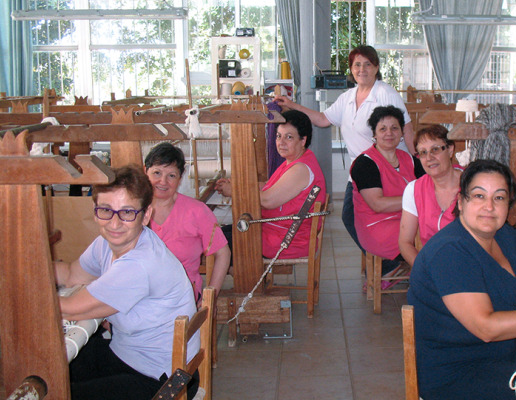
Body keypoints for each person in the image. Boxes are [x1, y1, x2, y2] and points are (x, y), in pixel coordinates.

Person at [55, 165, 200, 400]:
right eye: (106, 210)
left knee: (57, 391)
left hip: (165, 381)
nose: (114, 224)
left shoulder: (141, 263)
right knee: (52, 368)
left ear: (146, 215)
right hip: (129, 356)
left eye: (127, 212)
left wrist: (20, 293)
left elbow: (69, 308)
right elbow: (71, 274)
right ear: (95, 211)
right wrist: (26, 271)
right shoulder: (108, 243)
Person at [407, 159, 516, 400]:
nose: (489, 206)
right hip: (459, 372)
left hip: (503, 356)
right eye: (479, 196)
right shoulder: (450, 252)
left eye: (499, 197)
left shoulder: (501, 235)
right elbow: (486, 328)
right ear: (461, 202)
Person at [276, 45, 414, 252]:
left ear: (376, 67)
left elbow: (407, 127)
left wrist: (416, 158)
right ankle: (388, 258)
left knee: (377, 217)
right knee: (351, 218)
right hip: (360, 168)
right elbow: (322, 119)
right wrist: (292, 105)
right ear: (351, 69)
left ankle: (391, 260)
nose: (362, 69)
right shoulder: (348, 97)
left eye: (367, 64)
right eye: (357, 65)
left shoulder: (385, 93)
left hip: (388, 167)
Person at [215, 110, 326, 259]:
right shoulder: (294, 162)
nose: (281, 143)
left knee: (215, 245)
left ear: (303, 140)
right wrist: (238, 184)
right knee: (217, 235)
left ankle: (232, 271)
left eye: (289, 137)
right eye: (279, 136)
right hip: (277, 232)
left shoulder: (300, 169)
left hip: (286, 241)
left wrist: (234, 191)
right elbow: (269, 186)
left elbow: (267, 200)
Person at [144, 142, 230, 301]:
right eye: (157, 173)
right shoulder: (133, 210)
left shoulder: (196, 211)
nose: (163, 181)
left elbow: (223, 253)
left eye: (171, 175)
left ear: (180, 178)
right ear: (145, 171)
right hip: (139, 294)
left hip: (181, 298)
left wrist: (209, 298)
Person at [350, 105, 423, 278]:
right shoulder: (365, 163)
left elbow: (430, 185)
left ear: (402, 132)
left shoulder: (410, 159)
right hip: (378, 226)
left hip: (407, 220)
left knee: (438, 229)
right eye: (383, 129)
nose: (389, 133)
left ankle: (422, 273)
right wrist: (417, 199)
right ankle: (426, 276)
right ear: (374, 134)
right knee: (430, 235)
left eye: (394, 128)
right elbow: (378, 204)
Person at [398, 125, 462, 267]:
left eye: (435, 150)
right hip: (431, 265)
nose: (429, 158)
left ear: (450, 150)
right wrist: (423, 270)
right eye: (423, 152)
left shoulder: (471, 185)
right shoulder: (414, 190)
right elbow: (405, 242)